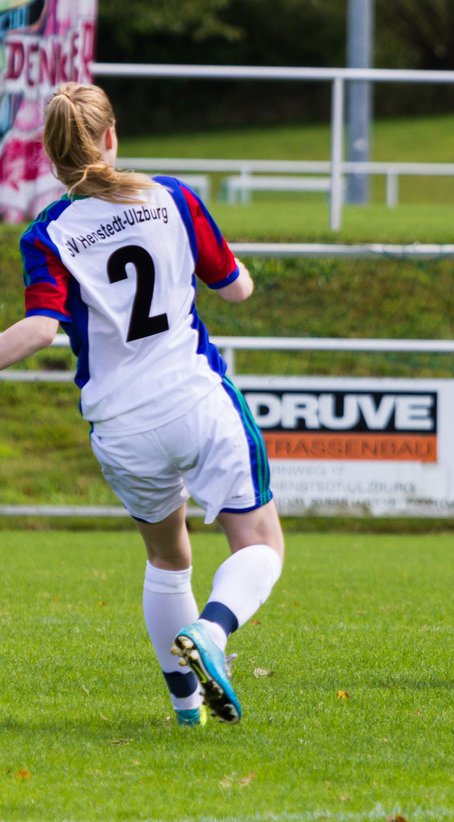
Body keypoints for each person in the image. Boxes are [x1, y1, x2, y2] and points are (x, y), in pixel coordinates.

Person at [0, 83, 284, 727]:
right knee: (260, 543)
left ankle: (187, 709)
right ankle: (211, 634)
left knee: (167, 558)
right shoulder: (173, 197)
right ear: (112, 137)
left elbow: (41, 329)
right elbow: (236, 289)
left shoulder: (48, 234)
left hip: (121, 427)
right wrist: (233, 273)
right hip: (195, 398)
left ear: (50, 155)